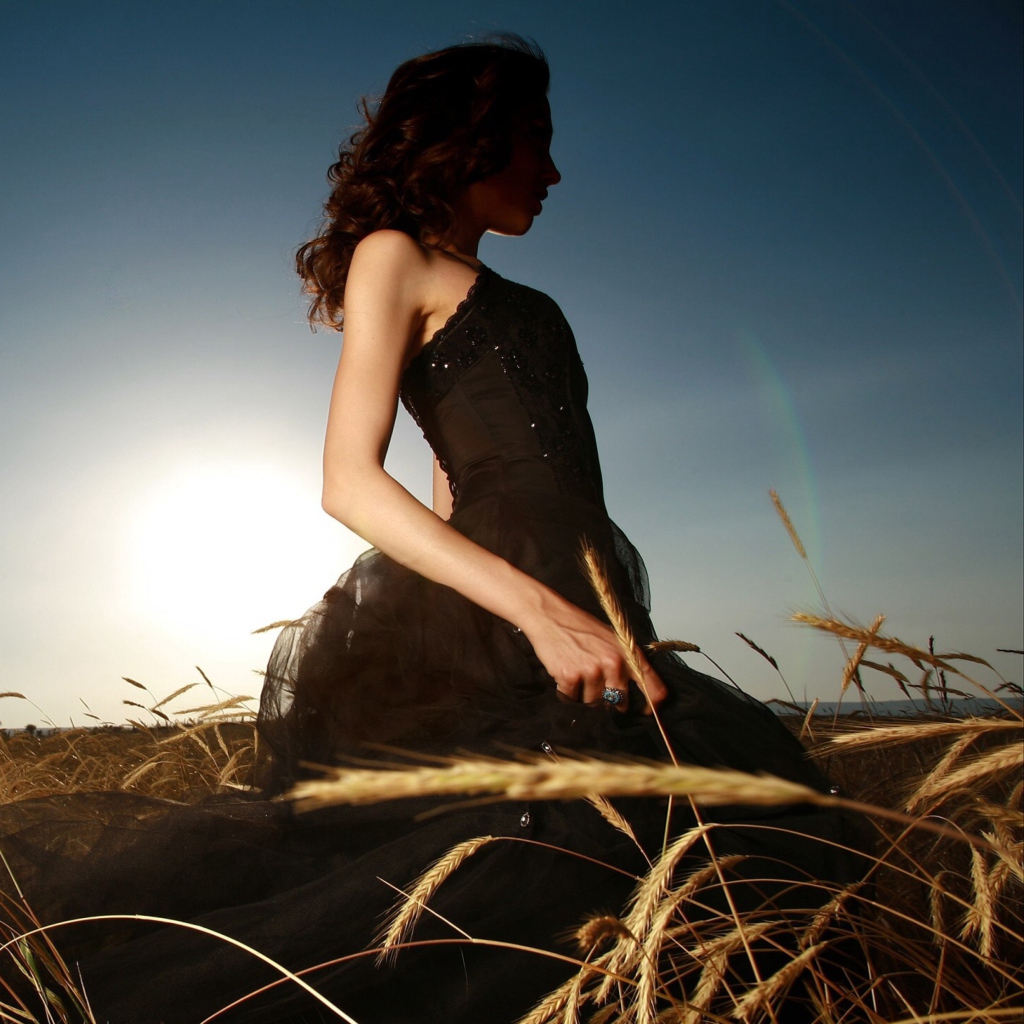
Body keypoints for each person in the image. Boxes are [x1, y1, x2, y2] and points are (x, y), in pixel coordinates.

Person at [0, 36, 864, 1024]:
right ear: (468, 137)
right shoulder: (393, 256)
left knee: (700, 855)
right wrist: (534, 612)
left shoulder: (516, 297)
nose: (551, 169)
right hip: (512, 611)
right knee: (499, 881)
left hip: (574, 601)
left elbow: (472, 484)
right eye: (532, 140)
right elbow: (348, 481)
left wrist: (588, 612)